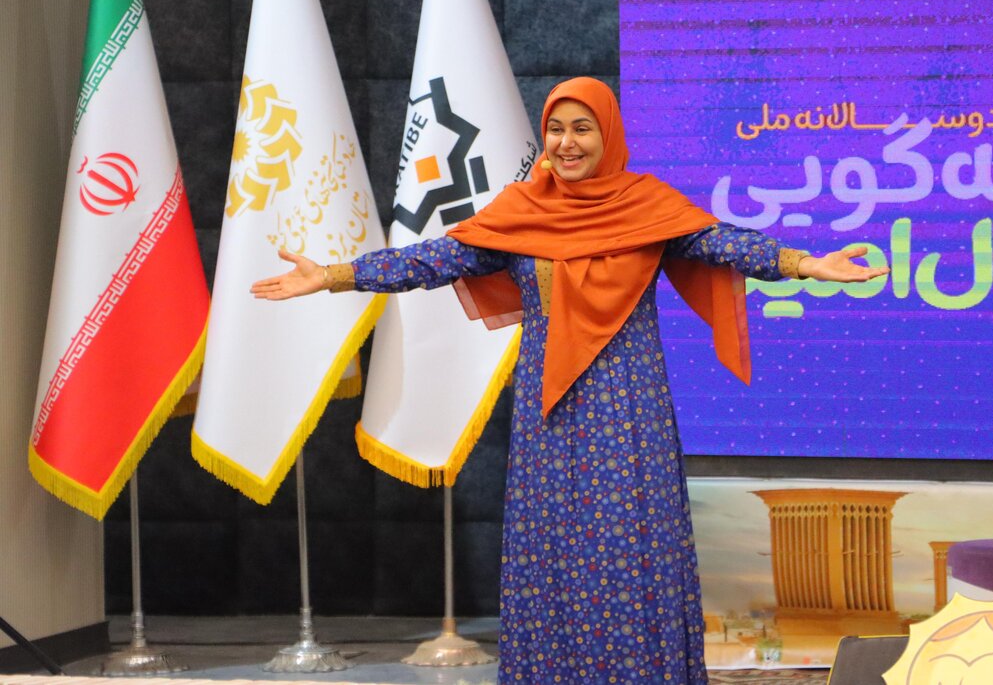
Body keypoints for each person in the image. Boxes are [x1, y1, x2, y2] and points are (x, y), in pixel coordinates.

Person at [252, 77, 888, 684]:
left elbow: (722, 244)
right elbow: (432, 259)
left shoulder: (647, 206)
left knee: (630, 556)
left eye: (582, 128)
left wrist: (806, 264)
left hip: (629, 414)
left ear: (608, 134)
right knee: (553, 559)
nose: (567, 142)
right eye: (555, 129)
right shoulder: (521, 213)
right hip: (550, 419)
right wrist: (333, 275)